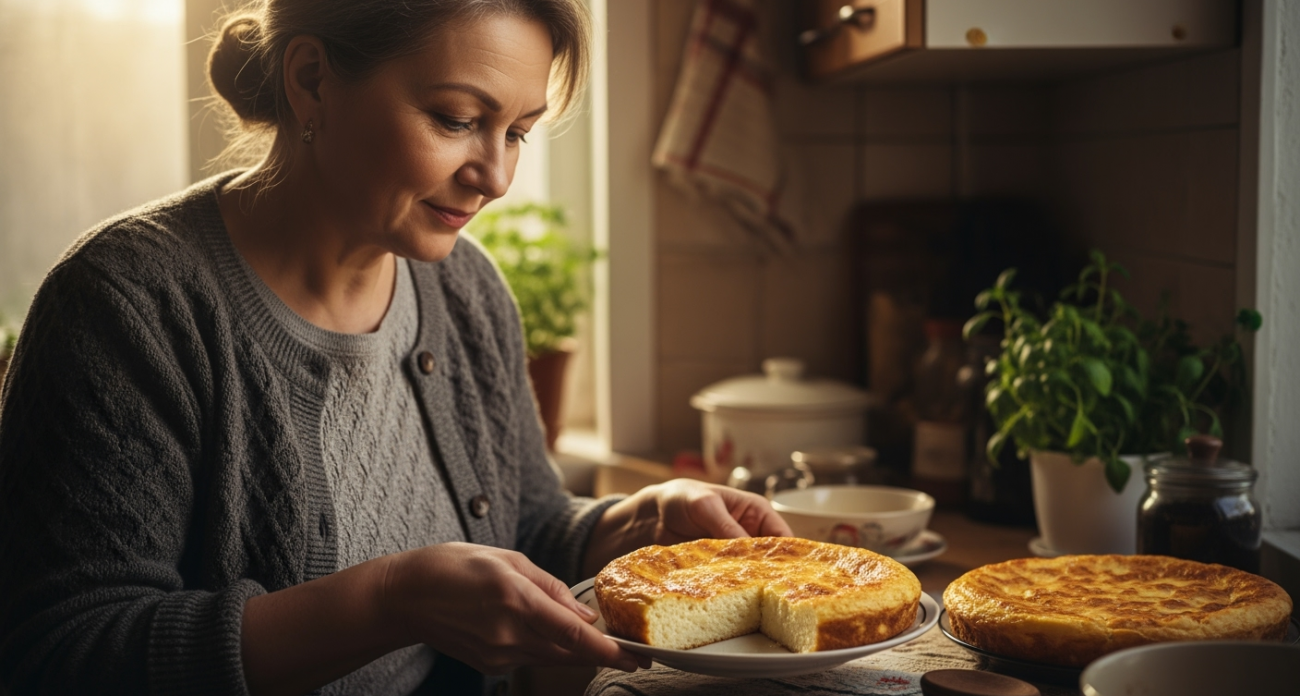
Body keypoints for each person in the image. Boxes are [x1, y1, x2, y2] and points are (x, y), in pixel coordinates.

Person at [0, 1, 793, 694]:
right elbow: (58, 656)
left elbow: (526, 528)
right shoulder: (128, 303)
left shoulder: (466, 291)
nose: (495, 176)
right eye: (457, 120)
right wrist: (386, 602)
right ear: (311, 80)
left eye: (517, 132)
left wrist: (635, 525)